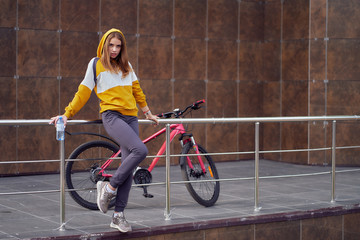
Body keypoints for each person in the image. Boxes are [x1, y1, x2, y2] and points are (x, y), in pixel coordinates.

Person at [50, 28, 159, 232]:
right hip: (111, 116)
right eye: (111, 45)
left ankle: (118, 216)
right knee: (140, 151)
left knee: (129, 165)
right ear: (104, 44)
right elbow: (83, 91)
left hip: (131, 117)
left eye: (118, 46)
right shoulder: (96, 64)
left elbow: (137, 90)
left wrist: (148, 113)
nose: (115, 49)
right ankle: (109, 187)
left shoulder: (127, 66)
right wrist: (67, 114)